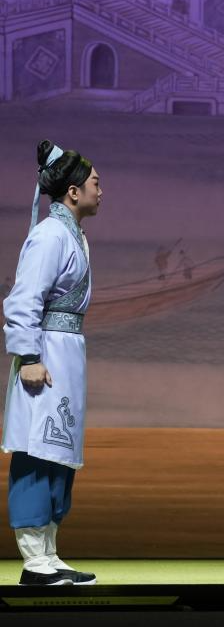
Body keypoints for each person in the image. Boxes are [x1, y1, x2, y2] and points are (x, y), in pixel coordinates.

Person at [3, 140, 103, 586]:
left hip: (66, 351)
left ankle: (49, 553)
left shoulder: (72, 234)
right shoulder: (50, 235)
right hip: (44, 352)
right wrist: (28, 356)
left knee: (58, 451)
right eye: (96, 183)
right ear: (73, 192)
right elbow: (23, 298)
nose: (101, 190)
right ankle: (33, 560)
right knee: (35, 450)